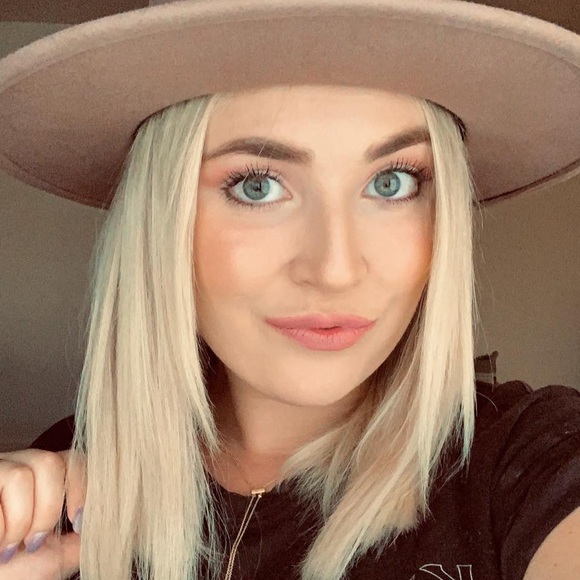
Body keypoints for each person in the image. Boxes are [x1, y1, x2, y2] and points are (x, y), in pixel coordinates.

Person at [0, 1, 579, 579]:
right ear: (162, 221)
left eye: (391, 182)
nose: (335, 270)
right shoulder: (63, 484)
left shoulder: (530, 460)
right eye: (257, 186)